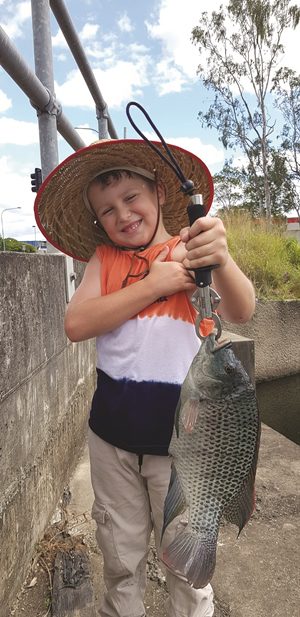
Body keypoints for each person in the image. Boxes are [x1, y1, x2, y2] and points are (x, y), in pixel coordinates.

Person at [35, 137, 256, 617]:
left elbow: (243, 308)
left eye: (131, 197)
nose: (121, 214)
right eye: (106, 210)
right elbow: (76, 325)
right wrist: (152, 284)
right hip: (110, 441)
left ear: (159, 193)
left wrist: (219, 255)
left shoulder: (189, 250)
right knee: (119, 550)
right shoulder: (104, 260)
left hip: (185, 448)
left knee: (186, 559)